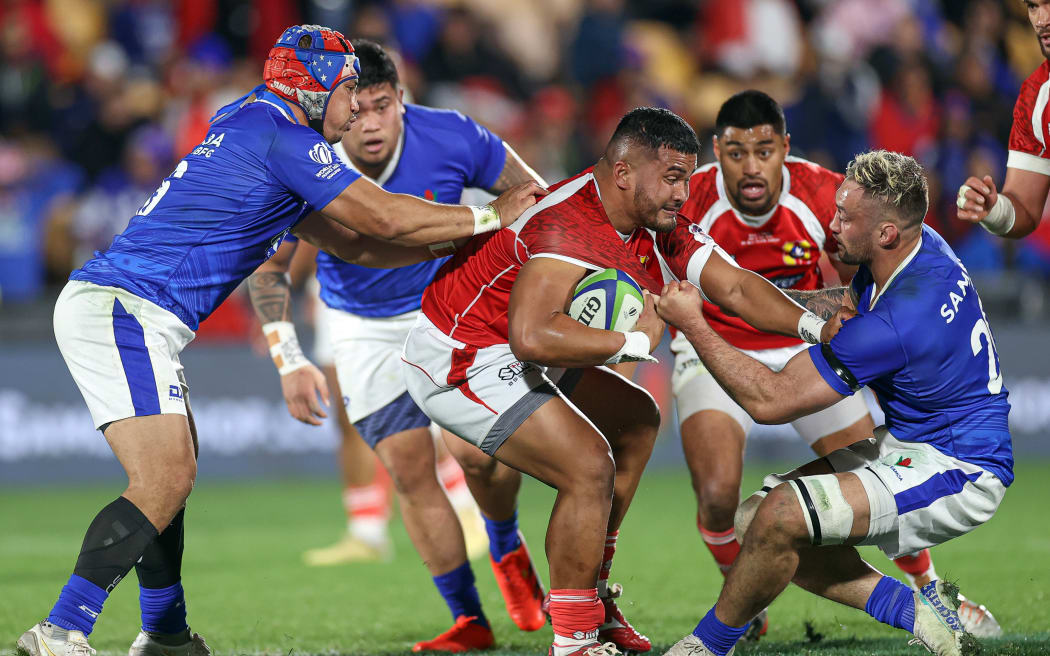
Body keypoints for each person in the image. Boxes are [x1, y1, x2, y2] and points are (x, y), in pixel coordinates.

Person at [17, 25, 544, 656]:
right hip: (125, 309)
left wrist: (460, 241)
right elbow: (385, 216)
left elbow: (355, 242)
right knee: (164, 477)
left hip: (129, 311)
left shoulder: (252, 122)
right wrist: (490, 214)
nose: (354, 109)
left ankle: (165, 634)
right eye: (348, 91)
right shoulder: (284, 137)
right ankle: (63, 628)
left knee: (170, 479)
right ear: (316, 89)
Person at [401, 107, 841, 656]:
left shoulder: (658, 223)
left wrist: (815, 325)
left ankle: (595, 602)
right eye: (674, 177)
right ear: (624, 173)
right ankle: (575, 639)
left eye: (688, 176)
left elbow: (736, 289)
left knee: (635, 421)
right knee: (588, 467)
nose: (685, 194)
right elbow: (532, 336)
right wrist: (630, 342)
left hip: (517, 348)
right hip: (458, 355)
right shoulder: (568, 223)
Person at [247, 39, 548, 651]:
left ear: (402, 101)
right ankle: (469, 621)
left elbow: (539, 203)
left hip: (453, 314)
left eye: (382, 106)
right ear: (338, 109)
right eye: (355, 111)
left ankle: (504, 538)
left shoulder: (456, 136)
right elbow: (270, 269)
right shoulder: (310, 155)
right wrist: (288, 356)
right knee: (411, 474)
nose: (370, 124)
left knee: (479, 461)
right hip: (359, 328)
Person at [658, 150, 1011, 656]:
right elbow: (842, 307)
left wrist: (696, 323)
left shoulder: (897, 321)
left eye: (846, 216)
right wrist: (733, 297)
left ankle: (706, 645)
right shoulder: (916, 249)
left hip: (959, 466)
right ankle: (919, 612)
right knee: (752, 517)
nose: (832, 223)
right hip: (915, 440)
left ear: (886, 232)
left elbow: (770, 401)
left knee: (779, 515)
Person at [956, 0, 1050, 238]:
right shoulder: (1034, 97)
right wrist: (994, 209)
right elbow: (1025, 207)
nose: (1041, 21)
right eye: (1033, 7)